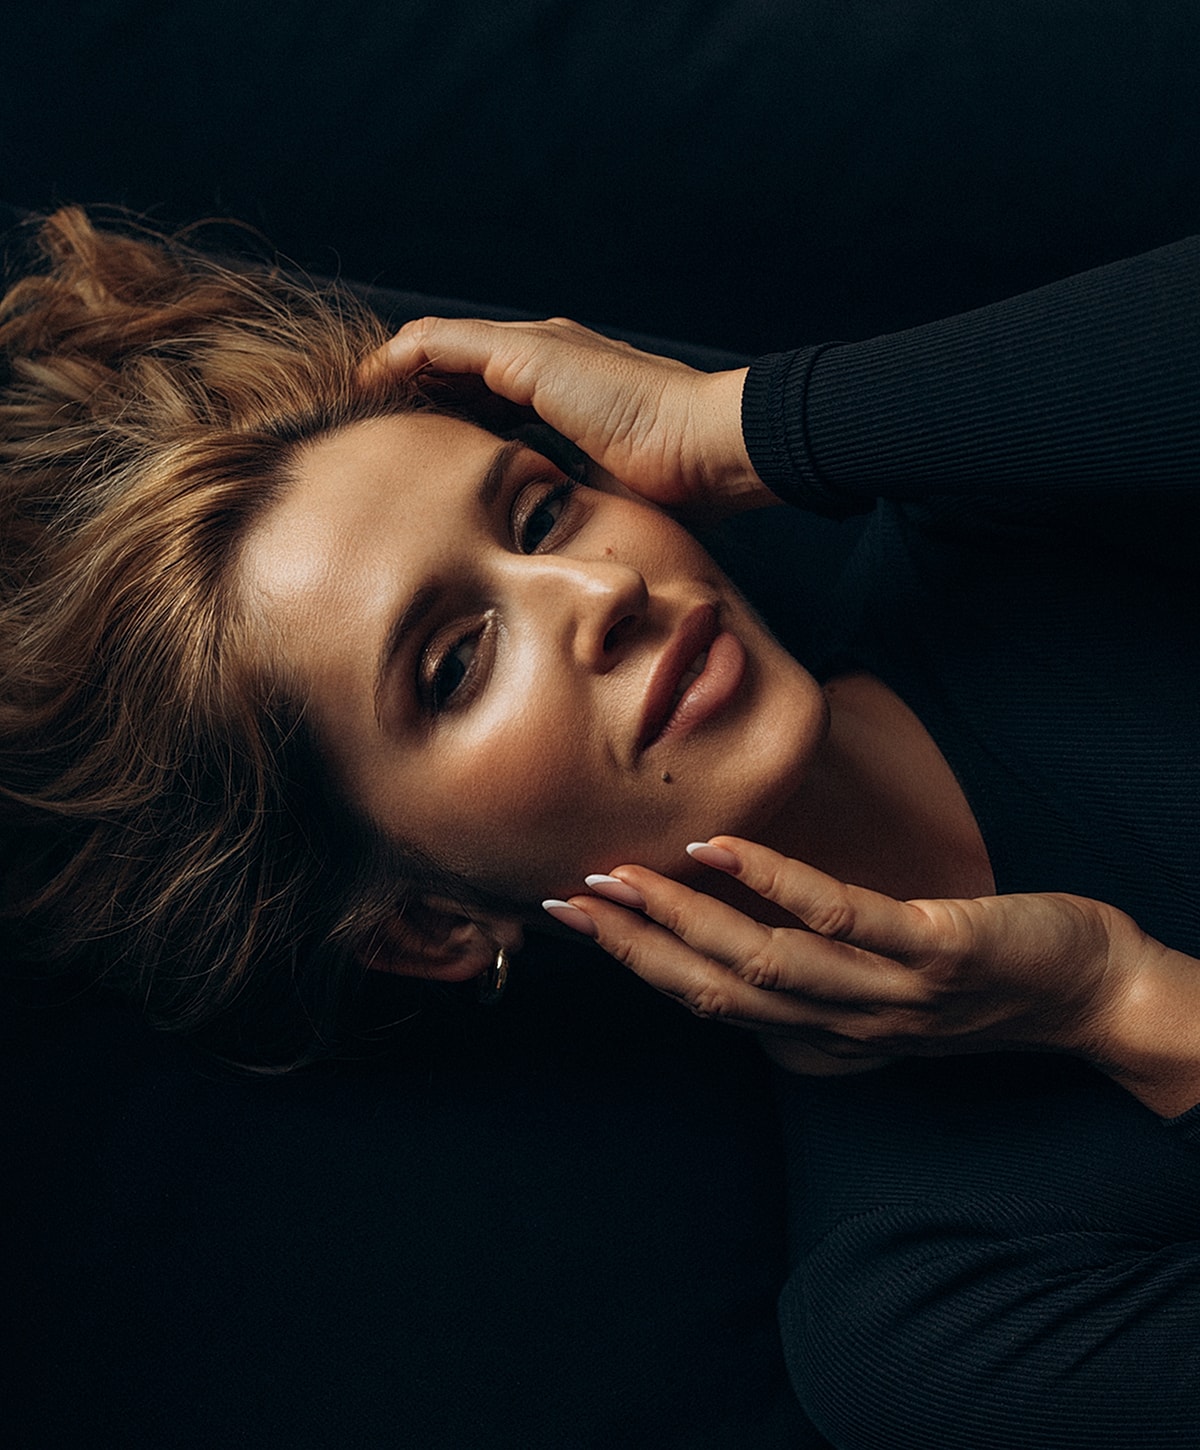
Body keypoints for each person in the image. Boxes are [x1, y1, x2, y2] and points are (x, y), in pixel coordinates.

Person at [1, 208, 1198, 1444]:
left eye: (541, 515)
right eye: (455, 665)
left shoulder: (1002, 512)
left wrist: (746, 426)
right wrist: (1120, 1002)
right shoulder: (937, 1314)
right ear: (429, 926)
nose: (602, 591)